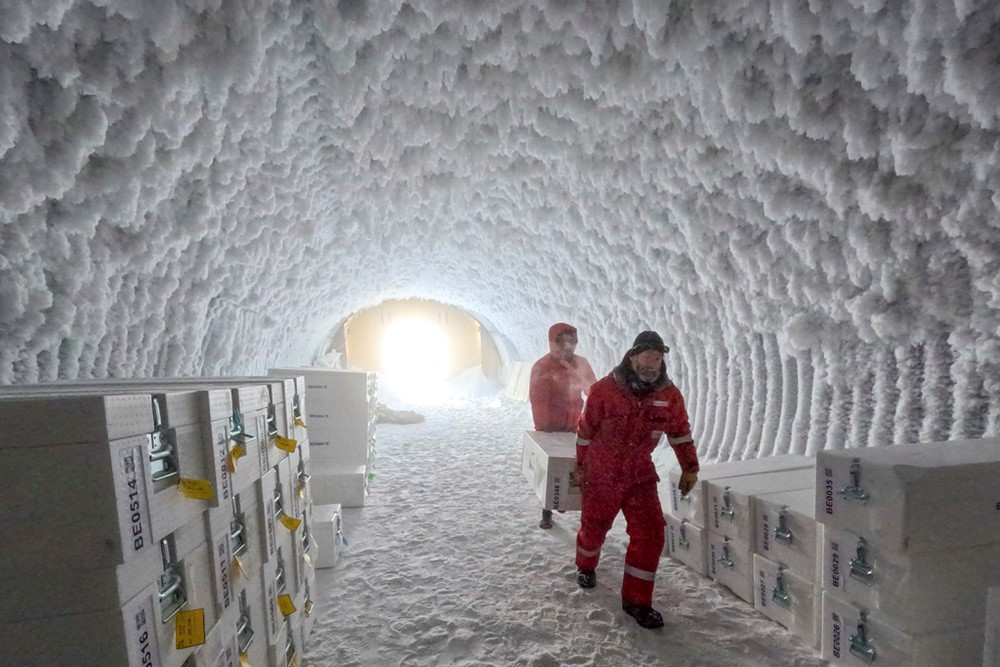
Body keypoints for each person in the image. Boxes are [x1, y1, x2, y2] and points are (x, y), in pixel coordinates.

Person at [573, 331, 699, 629]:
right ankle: (586, 565)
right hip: (602, 471)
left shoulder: (669, 396)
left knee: (652, 533)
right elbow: (585, 430)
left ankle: (637, 601)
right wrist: (581, 466)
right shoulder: (604, 390)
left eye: (658, 358)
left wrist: (690, 467)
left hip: (639, 474)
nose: (652, 364)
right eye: (647, 357)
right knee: (594, 527)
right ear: (632, 357)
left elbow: (680, 432)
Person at [528, 322, 598, 529]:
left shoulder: (581, 364)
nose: (569, 347)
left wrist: (595, 418)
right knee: (551, 470)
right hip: (550, 428)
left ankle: (572, 505)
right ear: (554, 343)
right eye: (564, 342)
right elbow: (539, 400)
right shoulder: (542, 367)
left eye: (572, 342)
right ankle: (547, 511)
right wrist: (544, 429)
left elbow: (593, 392)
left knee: (577, 467)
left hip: (575, 425)